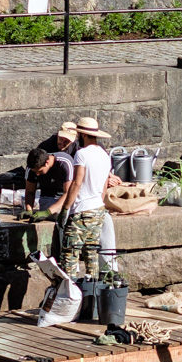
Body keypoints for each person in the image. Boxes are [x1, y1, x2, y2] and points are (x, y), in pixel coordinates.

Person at [55, 116, 117, 284]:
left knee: (70, 255)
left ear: (82, 135)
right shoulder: (105, 155)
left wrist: (65, 209)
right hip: (98, 209)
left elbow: (76, 183)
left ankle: (68, 296)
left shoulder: (81, 154)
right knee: (91, 255)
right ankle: (92, 294)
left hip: (82, 211)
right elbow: (104, 187)